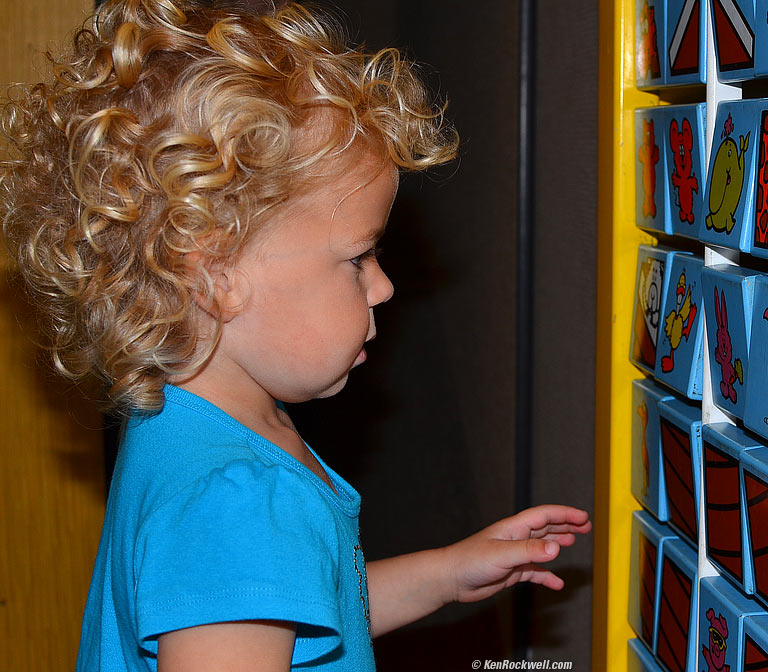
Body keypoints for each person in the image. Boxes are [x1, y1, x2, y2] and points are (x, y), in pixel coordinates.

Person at [0, 1, 592, 670]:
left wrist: (447, 574)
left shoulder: (177, 421)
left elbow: (300, 611)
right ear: (216, 271)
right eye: (357, 258)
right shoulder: (239, 498)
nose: (384, 286)